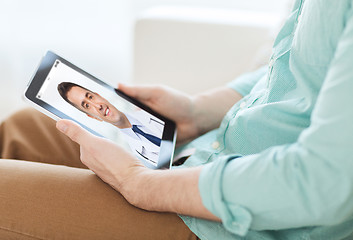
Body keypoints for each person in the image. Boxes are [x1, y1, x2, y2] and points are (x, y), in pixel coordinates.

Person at [1, 0, 353, 239]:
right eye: (86, 102)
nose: (94, 105)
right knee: (23, 130)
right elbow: (293, 73)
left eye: (90, 95)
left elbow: (324, 182)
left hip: (245, 222)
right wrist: (199, 111)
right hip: (207, 154)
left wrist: (138, 183)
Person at [57, 82, 163, 164]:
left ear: (100, 96)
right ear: (92, 117)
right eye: (87, 106)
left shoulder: (150, 107)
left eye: (90, 97)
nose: (98, 106)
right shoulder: (127, 155)